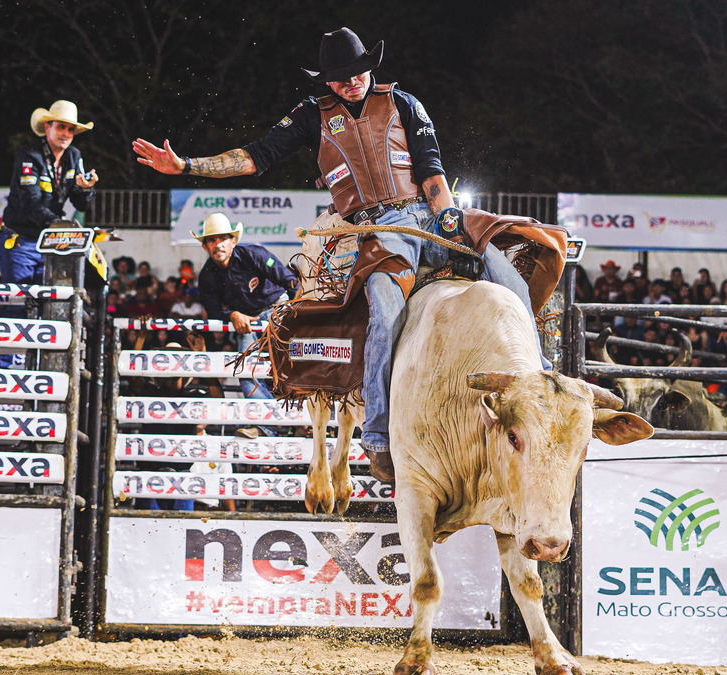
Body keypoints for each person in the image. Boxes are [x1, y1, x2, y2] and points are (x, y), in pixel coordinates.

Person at [132, 27, 543, 483]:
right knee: (384, 310)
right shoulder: (312, 115)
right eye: (341, 76)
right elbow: (256, 156)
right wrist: (187, 166)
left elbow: (431, 168)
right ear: (326, 80)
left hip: (429, 213)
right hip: (378, 228)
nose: (352, 81)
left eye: (358, 71)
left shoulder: (403, 102)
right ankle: (378, 433)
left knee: (510, 277)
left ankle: (541, 380)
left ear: (370, 67)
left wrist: (448, 220)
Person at [194, 212, 298, 400]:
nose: (218, 244)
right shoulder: (207, 276)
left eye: (223, 239)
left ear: (233, 241)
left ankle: (298, 414)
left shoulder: (253, 254)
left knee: (293, 360)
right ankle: (267, 417)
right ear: (205, 246)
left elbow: (288, 280)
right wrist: (232, 315)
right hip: (246, 319)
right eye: (212, 240)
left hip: (277, 307)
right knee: (245, 370)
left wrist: (298, 311)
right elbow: (213, 311)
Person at [0, 100, 98, 291]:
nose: (66, 134)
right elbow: (30, 203)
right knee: (18, 300)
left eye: (71, 129)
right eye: (61, 127)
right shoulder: (29, 155)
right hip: (21, 240)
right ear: (47, 127)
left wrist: (86, 189)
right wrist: (60, 226)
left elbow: (81, 204)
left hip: (52, 241)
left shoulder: (74, 156)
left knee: (51, 300)